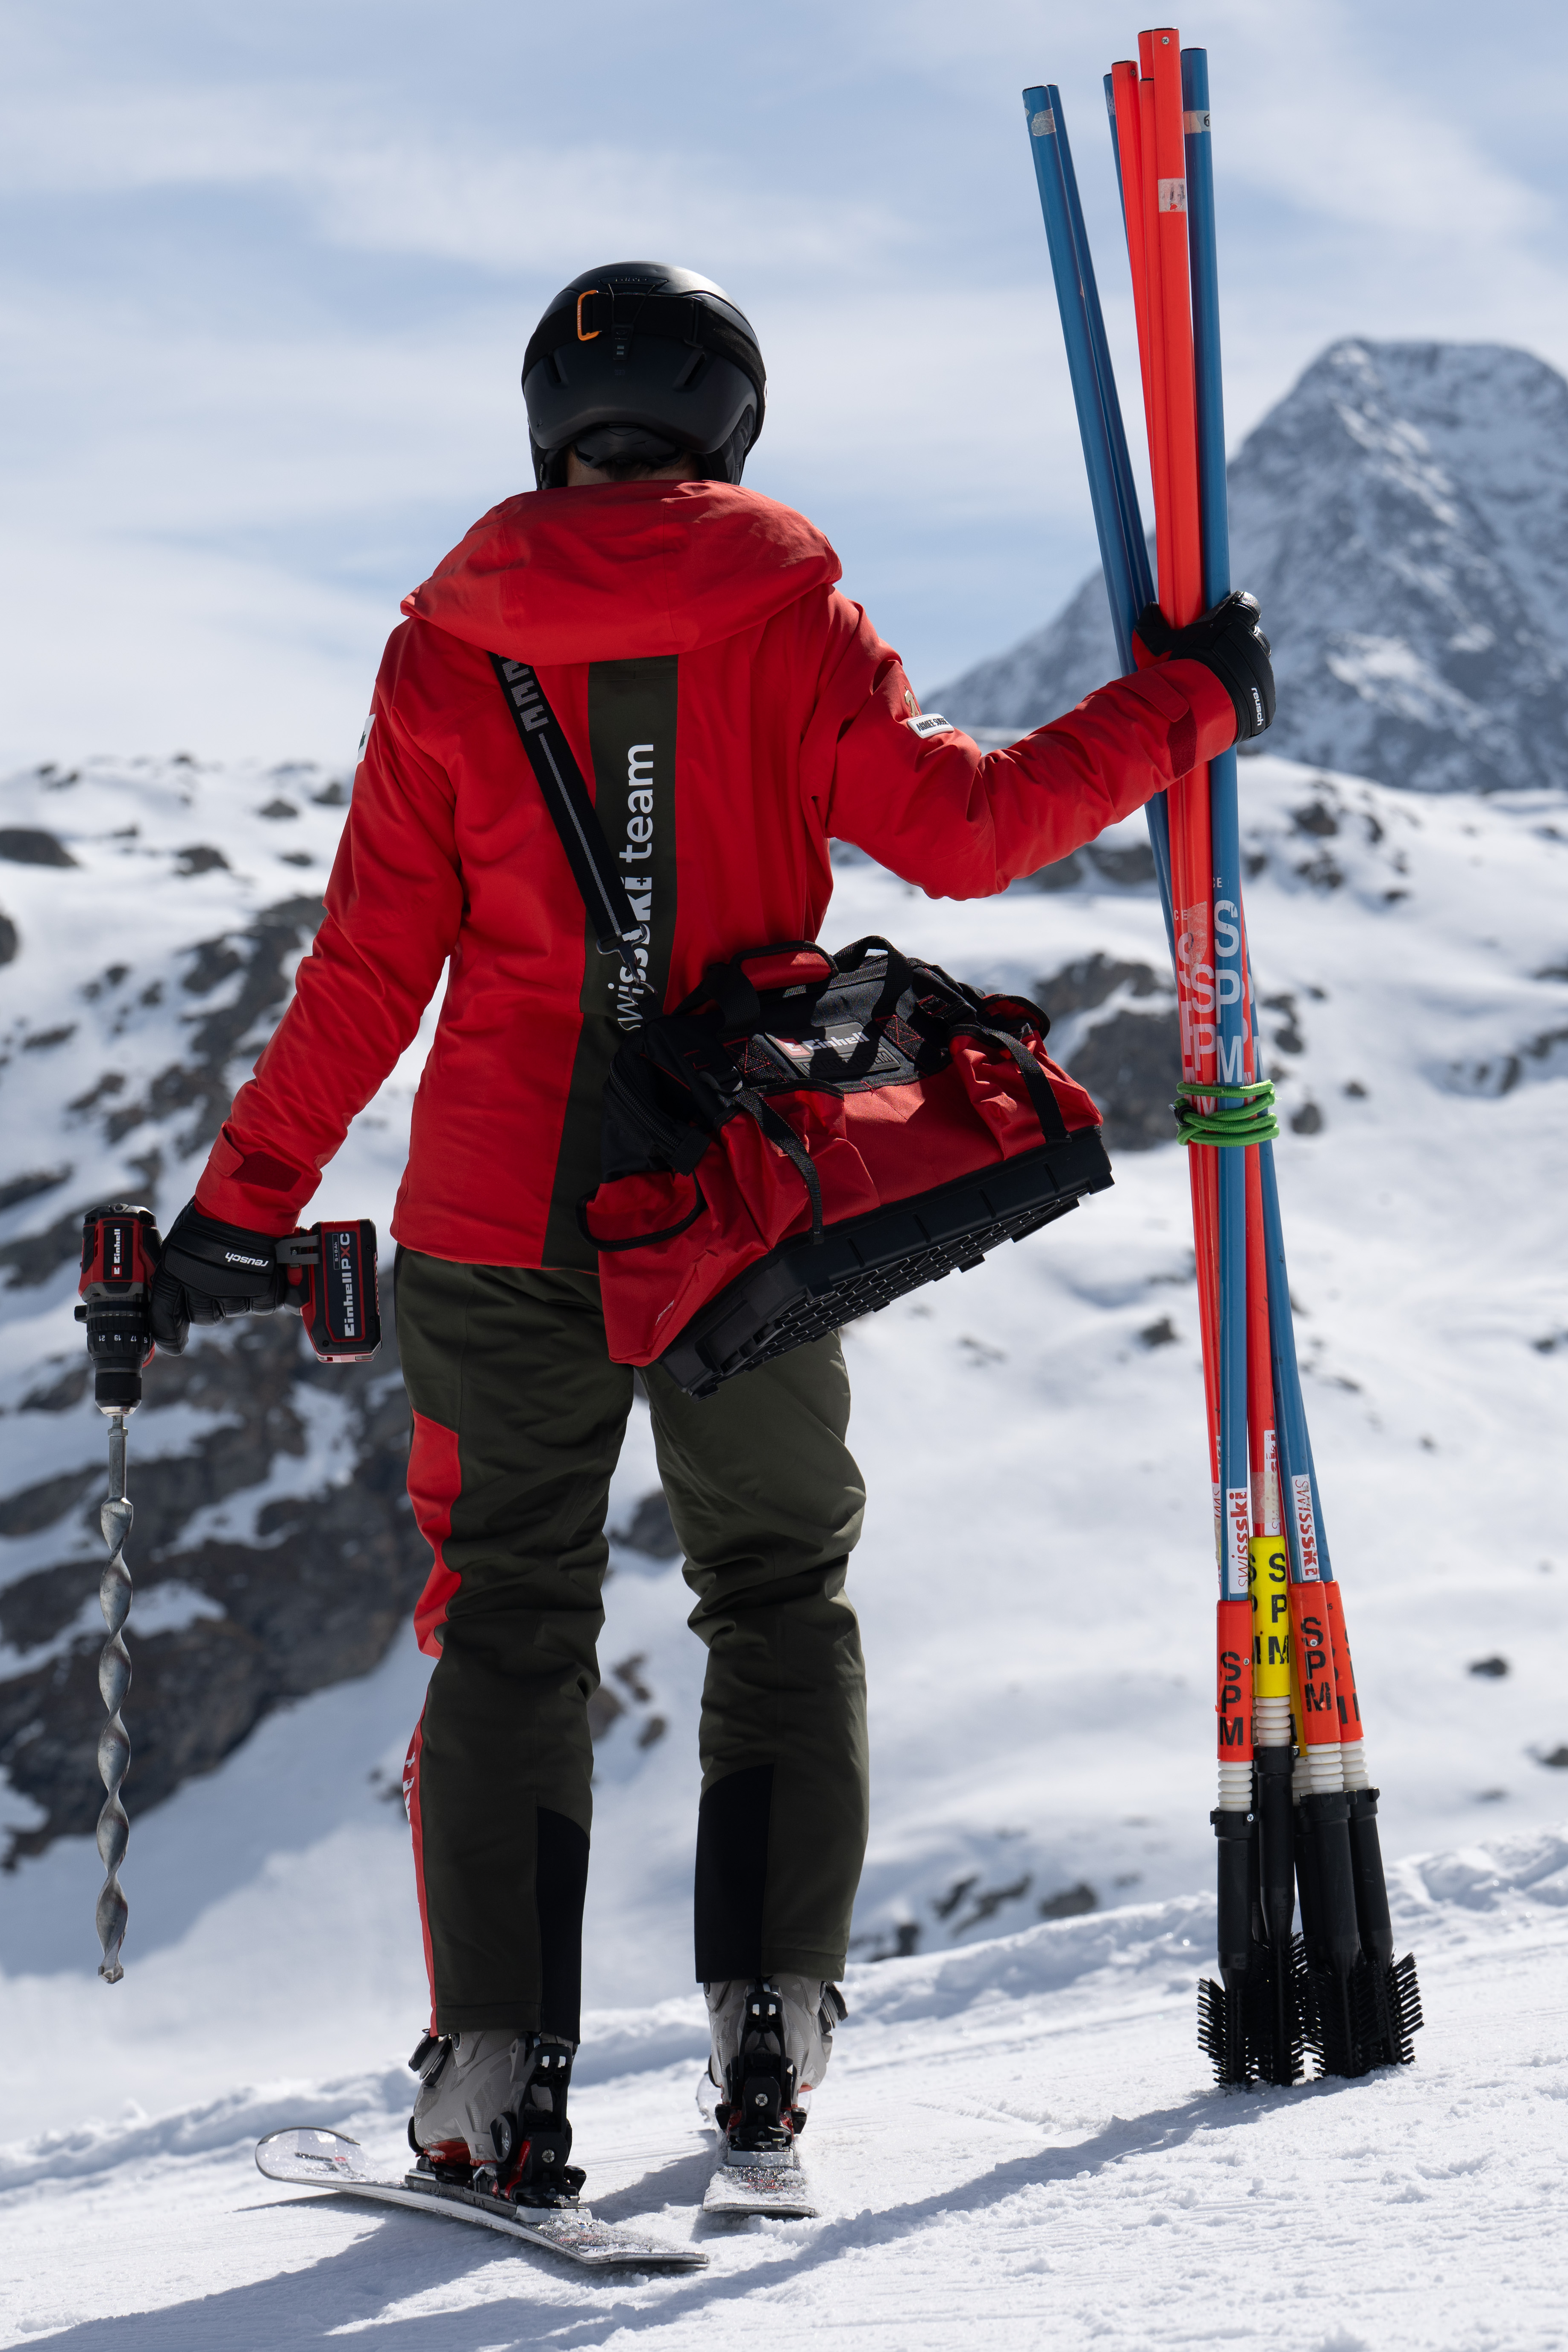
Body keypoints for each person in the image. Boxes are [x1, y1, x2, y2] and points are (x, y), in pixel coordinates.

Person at [150, 260, 1272, 2204]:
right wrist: (1189, 704)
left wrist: (237, 1206)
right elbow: (970, 831)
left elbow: (363, 972)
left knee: (506, 1616)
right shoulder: (789, 613)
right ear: (730, 421)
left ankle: (495, 2069)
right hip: (736, 1211)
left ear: (545, 426)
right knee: (775, 1590)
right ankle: (770, 2029)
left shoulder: (444, 649)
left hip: (498, 1214)